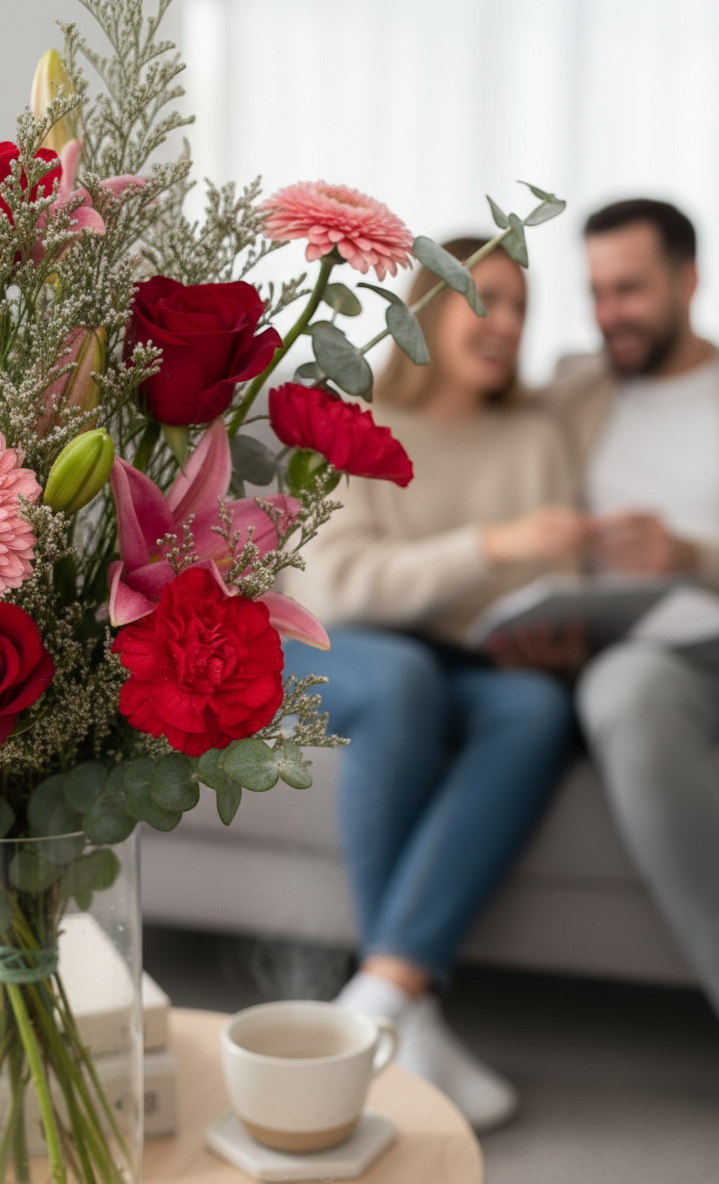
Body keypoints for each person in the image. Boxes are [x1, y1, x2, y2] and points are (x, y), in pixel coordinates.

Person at [282, 239, 586, 1132]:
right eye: (486, 298)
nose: (509, 325)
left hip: (465, 658)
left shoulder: (537, 433)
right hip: (336, 647)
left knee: (537, 707)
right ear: (429, 304)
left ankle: (385, 997)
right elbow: (332, 588)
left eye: (523, 307)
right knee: (407, 676)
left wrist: (554, 635)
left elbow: (552, 581)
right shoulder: (359, 411)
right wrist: (492, 548)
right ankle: (402, 1008)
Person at [549, 198, 719, 1021]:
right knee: (626, 689)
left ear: (688, 280)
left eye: (631, 289)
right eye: (596, 292)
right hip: (637, 659)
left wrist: (690, 556)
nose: (610, 314)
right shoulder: (576, 390)